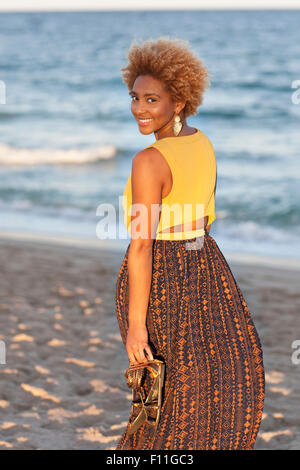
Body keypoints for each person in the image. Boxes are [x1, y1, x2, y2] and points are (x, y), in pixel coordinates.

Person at [115, 36, 265, 450]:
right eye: (135, 98)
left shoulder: (148, 161)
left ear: (178, 103)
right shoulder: (202, 141)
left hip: (161, 275)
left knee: (162, 394)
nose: (139, 110)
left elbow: (142, 245)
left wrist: (136, 325)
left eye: (151, 100)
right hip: (206, 265)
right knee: (215, 387)